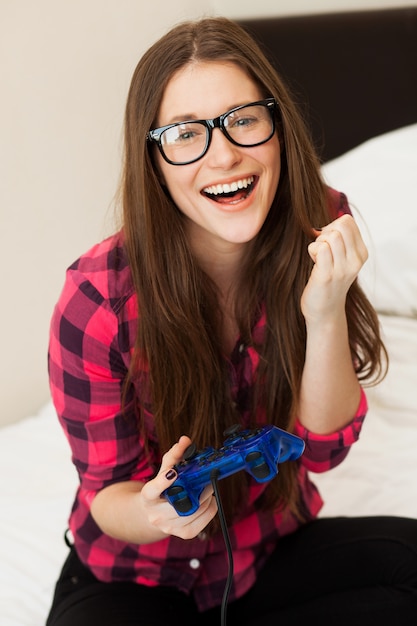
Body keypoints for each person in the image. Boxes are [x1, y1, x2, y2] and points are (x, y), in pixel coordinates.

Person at [46, 16, 417, 626]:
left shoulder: (321, 230)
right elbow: (105, 494)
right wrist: (155, 511)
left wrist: (324, 313)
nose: (223, 156)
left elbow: (322, 450)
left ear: (278, 127)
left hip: (264, 558)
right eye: (185, 134)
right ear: (155, 160)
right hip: (133, 572)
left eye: (244, 120)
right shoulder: (98, 298)